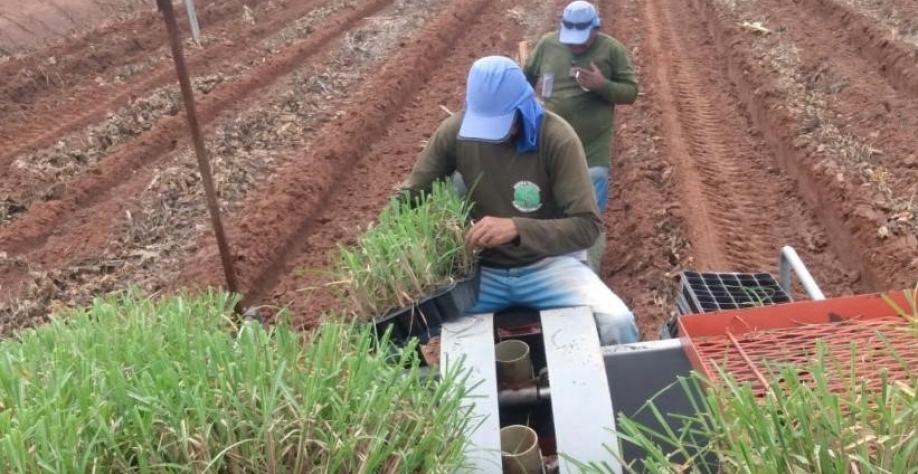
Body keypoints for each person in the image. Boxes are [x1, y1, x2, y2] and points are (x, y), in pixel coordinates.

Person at [397, 55, 639, 347]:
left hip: (546, 265)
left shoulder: (556, 137)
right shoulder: (455, 131)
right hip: (476, 277)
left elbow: (587, 226)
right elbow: (410, 197)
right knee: (409, 330)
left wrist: (517, 228)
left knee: (617, 320)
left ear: (524, 107)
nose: (490, 136)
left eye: (500, 123)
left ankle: (612, 389)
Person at [523, 0, 638, 273]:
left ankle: (587, 273)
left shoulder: (612, 50)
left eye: (582, 40)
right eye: (570, 40)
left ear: (595, 29)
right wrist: (530, 104)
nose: (575, 46)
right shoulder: (548, 45)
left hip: (592, 149)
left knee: (588, 216)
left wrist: (602, 85)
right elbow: (525, 77)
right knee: (547, 204)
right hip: (550, 145)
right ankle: (545, 264)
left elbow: (631, 92)